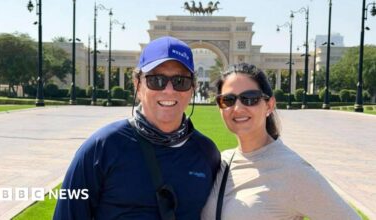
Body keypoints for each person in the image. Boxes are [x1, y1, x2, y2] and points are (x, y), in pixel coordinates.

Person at [54, 36, 221, 220]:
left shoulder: (207, 153)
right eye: (156, 80)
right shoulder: (101, 148)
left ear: (192, 88)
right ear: (137, 85)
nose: (169, 90)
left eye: (180, 81)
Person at [201, 63, 360, 220]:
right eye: (228, 100)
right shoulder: (221, 161)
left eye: (250, 98)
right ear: (220, 107)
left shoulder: (294, 171)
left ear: (269, 105)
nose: (237, 108)